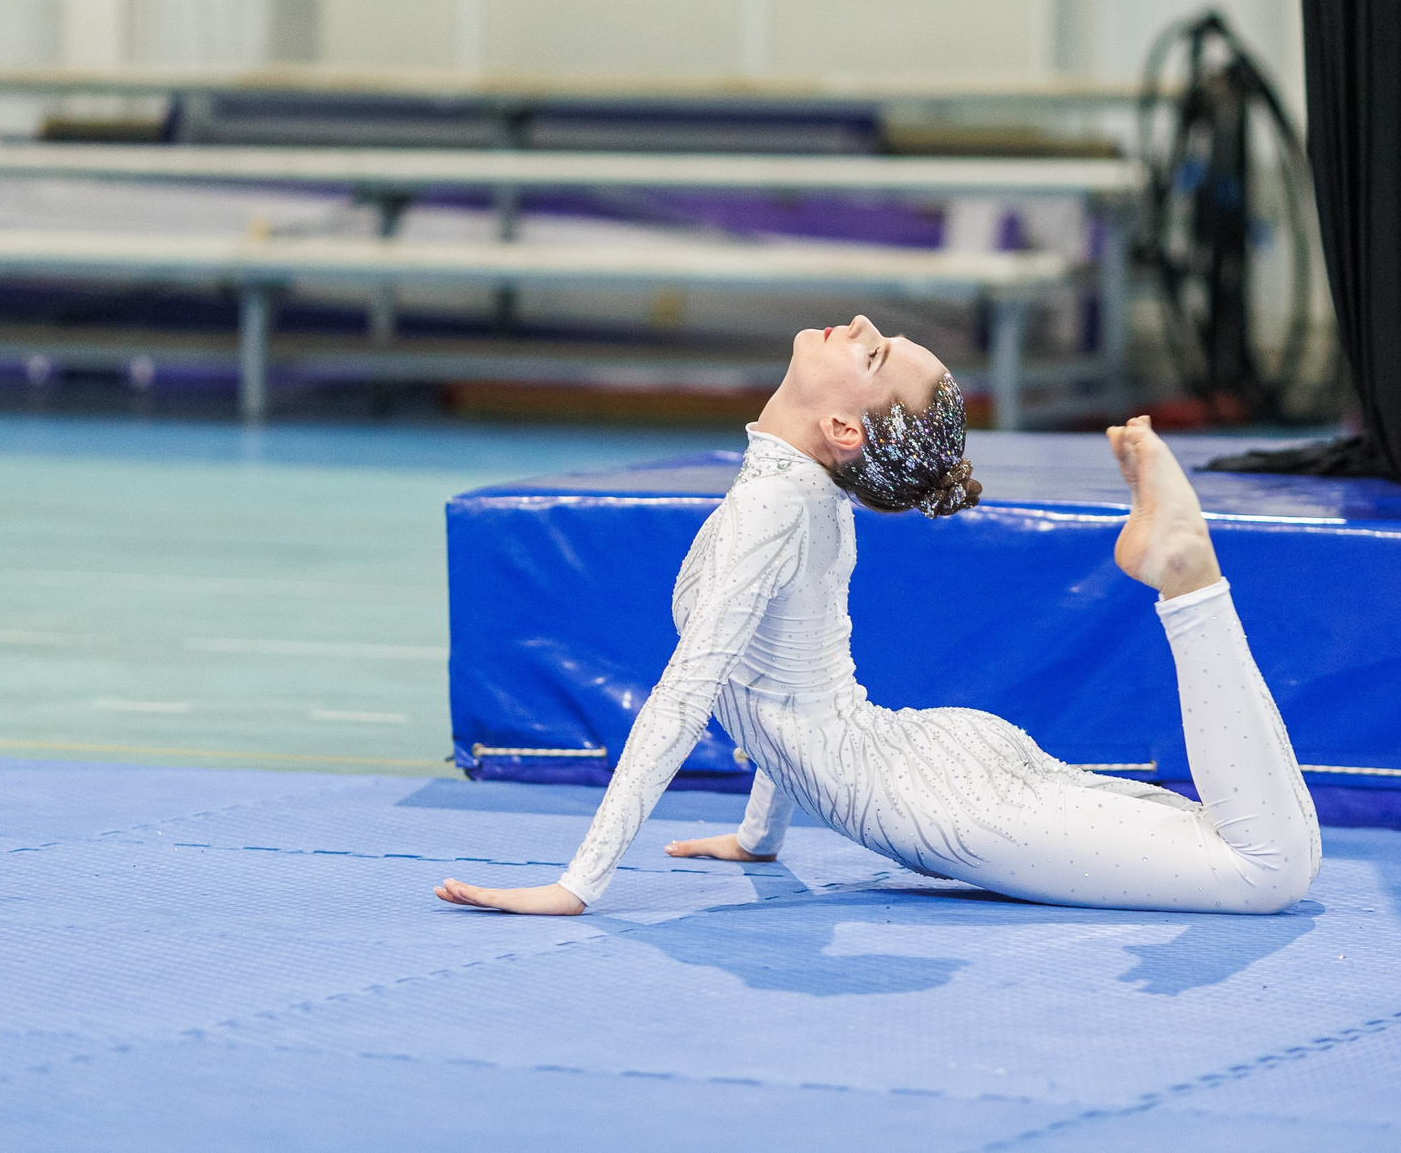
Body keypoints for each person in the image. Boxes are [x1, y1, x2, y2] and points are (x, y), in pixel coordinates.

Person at [436, 315, 1320, 917]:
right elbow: (792, 684)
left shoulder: (774, 508)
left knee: (1266, 868)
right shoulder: (806, 502)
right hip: (929, 762)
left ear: (842, 428)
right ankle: (1191, 584)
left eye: (871, 355)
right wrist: (757, 838)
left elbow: (690, 695)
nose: (857, 326)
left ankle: (1190, 583)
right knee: (1259, 850)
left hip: (931, 795)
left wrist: (577, 884)